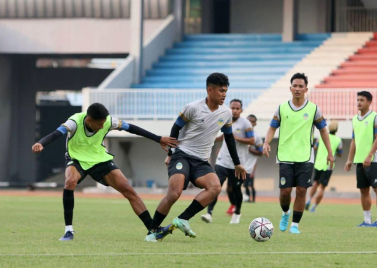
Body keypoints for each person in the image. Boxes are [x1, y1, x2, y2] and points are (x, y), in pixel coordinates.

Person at [31, 103, 178, 241]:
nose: (102, 126)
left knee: (128, 189)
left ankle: (152, 230)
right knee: (70, 181)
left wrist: (158, 139)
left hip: (100, 159)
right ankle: (68, 230)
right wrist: (40, 143)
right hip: (77, 159)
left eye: (103, 123)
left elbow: (131, 128)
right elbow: (57, 133)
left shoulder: (108, 121)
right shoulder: (74, 121)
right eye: (99, 124)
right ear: (89, 120)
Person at [145, 73, 247, 241]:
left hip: (201, 161)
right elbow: (175, 129)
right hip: (182, 156)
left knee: (215, 188)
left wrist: (237, 163)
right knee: (174, 193)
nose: (224, 95)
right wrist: (170, 154)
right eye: (221, 91)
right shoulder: (193, 107)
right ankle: (152, 230)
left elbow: (229, 137)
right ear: (209, 89)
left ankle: (183, 219)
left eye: (226, 91)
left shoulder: (226, 113)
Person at [263, 73, 334, 234]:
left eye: (301, 86)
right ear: (290, 88)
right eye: (295, 85)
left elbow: (323, 130)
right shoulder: (281, 108)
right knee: (285, 192)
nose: (297, 89)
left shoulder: (314, 109)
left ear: (306, 89)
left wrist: (330, 152)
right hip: (285, 156)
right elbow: (272, 127)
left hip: (305, 156)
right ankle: (286, 213)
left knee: (302, 191)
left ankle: (295, 225)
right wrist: (266, 142)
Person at [201, 99, 254, 224]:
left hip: (237, 164)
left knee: (235, 189)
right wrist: (211, 138)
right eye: (232, 108)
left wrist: (236, 138)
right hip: (222, 160)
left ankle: (237, 212)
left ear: (241, 110)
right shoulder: (225, 119)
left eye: (237, 108)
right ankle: (209, 213)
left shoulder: (246, 124)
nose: (234, 111)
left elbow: (251, 140)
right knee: (215, 185)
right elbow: (223, 136)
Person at [344, 91, 377, 227]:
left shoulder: (376, 117)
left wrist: (369, 155)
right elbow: (354, 140)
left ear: (369, 102)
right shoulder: (355, 119)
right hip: (359, 160)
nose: (359, 102)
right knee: (363, 190)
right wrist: (349, 159)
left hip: (374, 159)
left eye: (362, 100)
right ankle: (367, 220)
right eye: (358, 100)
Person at [305, 120, 343, 212]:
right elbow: (340, 153)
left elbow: (315, 147)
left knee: (315, 183)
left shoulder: (321, 137)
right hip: (328, 165)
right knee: (322, 187)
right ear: (337, 130)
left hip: (318, 163)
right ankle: (314, 206)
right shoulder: (338, 140)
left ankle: (309, 199)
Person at [244, 114, 263, 203]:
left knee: (250, 185)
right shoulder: (240, 133)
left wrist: (249, 148)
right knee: (239, 185)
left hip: (249, 168)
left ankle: (252, 200)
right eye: (249, 121)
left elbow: (260, 153)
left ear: (255, 124)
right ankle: (244, 200)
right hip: (238, 165)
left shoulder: (257, 137)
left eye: (253, 121)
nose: (250, 123)